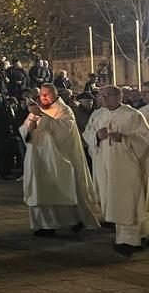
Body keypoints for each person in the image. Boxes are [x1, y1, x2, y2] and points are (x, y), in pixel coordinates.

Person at [19, 84, 100, 238]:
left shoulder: (64, 110)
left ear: (55, 94)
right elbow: (24, 129)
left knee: (62, 188)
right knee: (39, 189)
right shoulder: (38, 109)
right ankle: (44, 224)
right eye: (41, 94)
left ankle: (73, 220)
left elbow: (64, 131)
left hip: (56, 158)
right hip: (37, 157)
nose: (43, 97)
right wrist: (30, 126)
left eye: (47, 94)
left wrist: (41, 117)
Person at [82, 86, 149, 255]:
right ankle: (123, 238)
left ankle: (131, 240)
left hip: (128, 166)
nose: (104, 99)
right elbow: (87, 134)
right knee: (115, 200)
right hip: (107, 166)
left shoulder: (132, 115)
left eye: (108, 95)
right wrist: (97, 136)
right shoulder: (100, 115)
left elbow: (145, 138)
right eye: (102, 95)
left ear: (119, 97)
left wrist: (125, 138)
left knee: (129, 200)